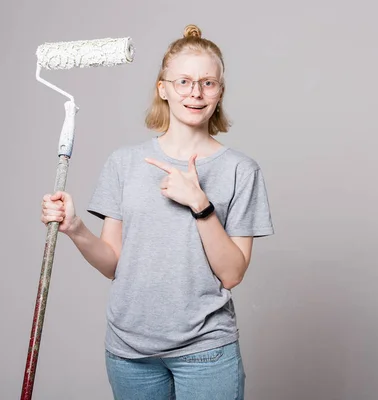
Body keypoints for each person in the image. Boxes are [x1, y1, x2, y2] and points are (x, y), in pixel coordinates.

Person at [40, 24, 274, 400]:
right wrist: (75, 228)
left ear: (219, 92)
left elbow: (231, 274)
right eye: (183, 81)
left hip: (205, 350)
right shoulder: (124, 163)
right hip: (129, 353)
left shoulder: (240, 170)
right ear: (162, 88)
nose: (195, 92)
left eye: (207, 83)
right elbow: (113, 263)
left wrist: (200, 205)